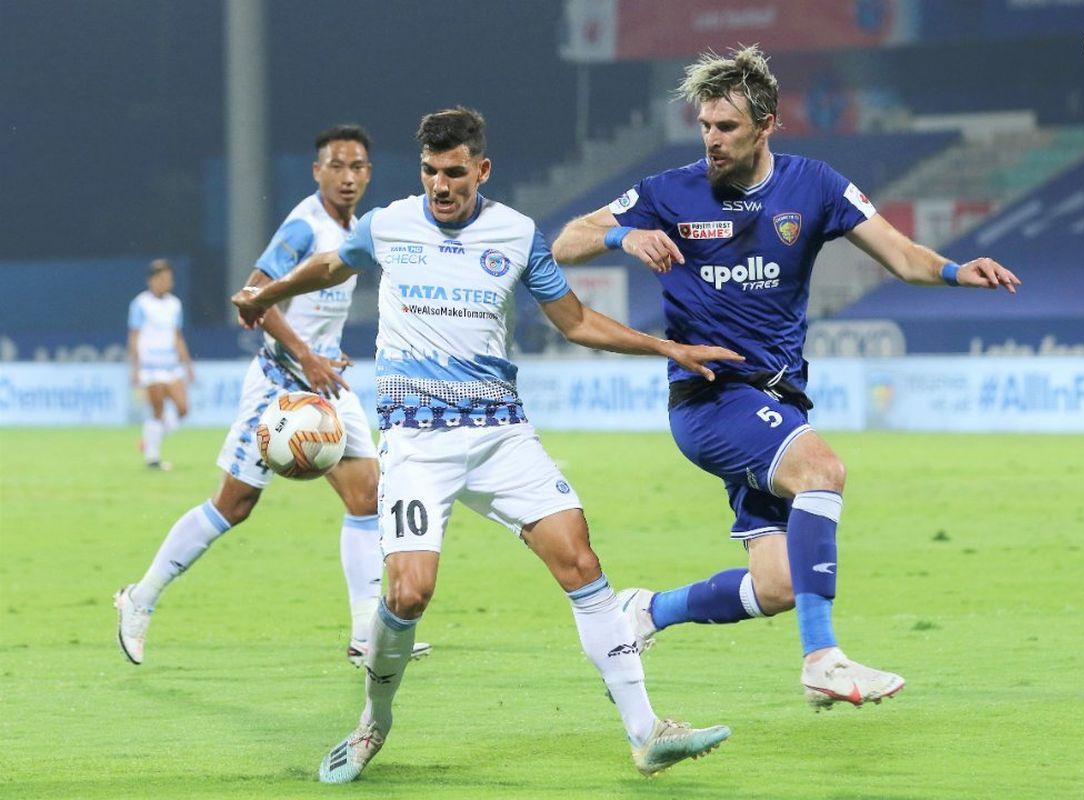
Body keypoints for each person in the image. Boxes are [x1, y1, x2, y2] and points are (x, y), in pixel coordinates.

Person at [233, 107, 740, 783]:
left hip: (501, 435)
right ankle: (372, 723)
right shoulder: (391, 224)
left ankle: (646, 731)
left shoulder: (519, 235)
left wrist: (668, 347)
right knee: (409, 594)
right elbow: (329, 265)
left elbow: (577, 320)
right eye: (429, 172)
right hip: (416, 440)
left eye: (453, 173)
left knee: (579, 560)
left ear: (482, 169)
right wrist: (268, 292)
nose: (440, 186)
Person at [552, 46, 1021, 711]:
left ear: (766, 124)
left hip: (777, 399)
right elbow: (566, 239)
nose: (711, 141)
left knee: (775, 585)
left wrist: (954, 271)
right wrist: (621, 237)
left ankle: (645, 612)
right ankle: (823, 656)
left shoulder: (816, 186)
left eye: (727, 128)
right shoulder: (668, 193)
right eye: (706, 127)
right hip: (709, 398)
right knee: (822, 471)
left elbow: (903, 255)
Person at [115, 125, 430, 667]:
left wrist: (323, 355)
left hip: (327, 387)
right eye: (337, 165)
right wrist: (306, 354)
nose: (348, 176)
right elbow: (253, 294)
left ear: (369, 174)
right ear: (318, 172)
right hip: (280, 386)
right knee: (233, 506)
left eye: (358, 167)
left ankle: (364, 636)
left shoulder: (354, 228)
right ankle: (139, 599)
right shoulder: (304, 227)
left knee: (367, 495)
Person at [128, 259, 193, 470]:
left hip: (171, 365)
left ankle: (149, 441)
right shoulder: (140, 304)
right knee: (157, 411)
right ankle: (152, 458)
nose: (167, 283)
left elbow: (178, 336)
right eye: (163, 279)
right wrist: (135, 368)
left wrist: (188, 364)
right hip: (150, 367)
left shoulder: (175, 304)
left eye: (169, 279)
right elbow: (134, 337)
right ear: (152, 281)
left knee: (183, 408)